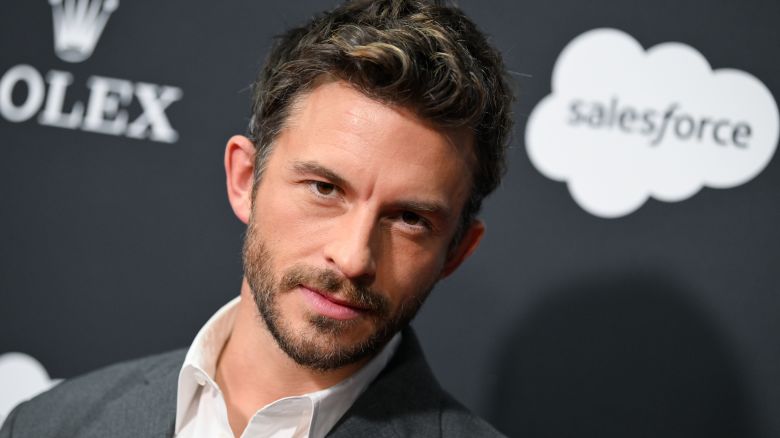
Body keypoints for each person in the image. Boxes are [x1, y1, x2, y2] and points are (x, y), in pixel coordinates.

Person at [0, 0, 513, 436]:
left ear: (458, 251)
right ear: (245, 179)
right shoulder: (51, 424)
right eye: (324, 188)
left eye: (408, 219)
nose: (354, 257)